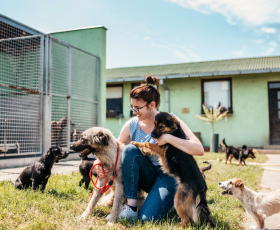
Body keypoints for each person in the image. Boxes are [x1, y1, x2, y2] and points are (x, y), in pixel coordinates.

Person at [96, 75, 204, 222]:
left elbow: (199, 149)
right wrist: (100, 167)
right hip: (146, 176)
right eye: (132, 107)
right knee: (129, 150)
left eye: (138, 108)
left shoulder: (170, 120)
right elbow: (116, 154)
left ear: (151, 105)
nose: (134, 111)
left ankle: (165, 201)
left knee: (148, 219)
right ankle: (131, 207)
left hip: (168, 177)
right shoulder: (131, 125)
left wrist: (169, 138)